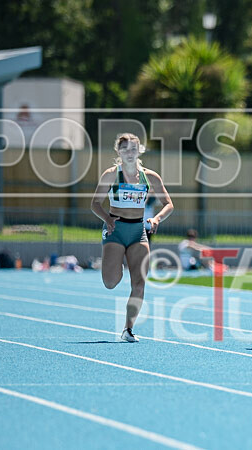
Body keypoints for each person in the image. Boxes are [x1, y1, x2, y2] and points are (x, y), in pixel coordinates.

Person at [91, 133, 173, 342]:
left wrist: (156, 219)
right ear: (118, 152)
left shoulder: (150, 176)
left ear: (139, 151)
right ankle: (117, 263)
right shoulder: (111, 174)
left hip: (138, 231)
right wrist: (107, 219)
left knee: (139, 283)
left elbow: (168, 204)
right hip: (115, 231)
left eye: (133, 149)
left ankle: (128, 329)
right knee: (110, 282)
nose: (129, 153)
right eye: (125, 149)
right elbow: (95, 204)